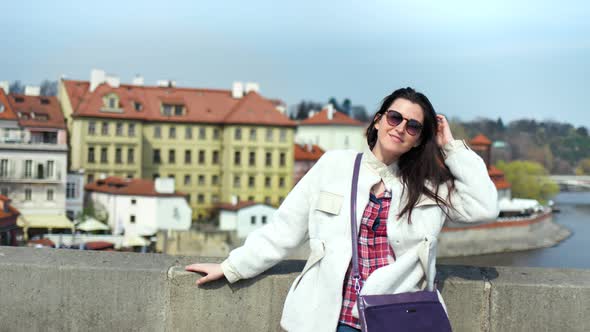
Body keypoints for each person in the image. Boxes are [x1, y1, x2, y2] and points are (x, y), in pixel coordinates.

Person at [185, 87, 499, 332]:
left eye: (414, 126)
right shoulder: (334, 165)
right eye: (394, 117)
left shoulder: (428, 185)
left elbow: (485, 207)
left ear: (419, 140)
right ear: (377, 121)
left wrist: (451, 146)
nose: (401, 127)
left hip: (396, 320)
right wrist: (232, 267)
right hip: (329, 318)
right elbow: (284, 228)